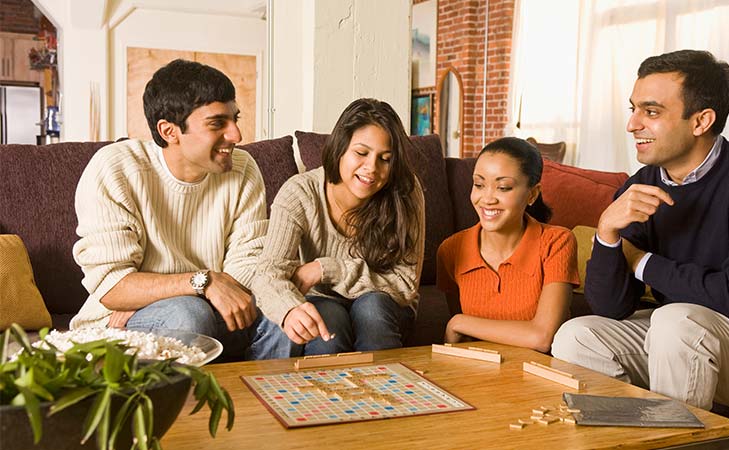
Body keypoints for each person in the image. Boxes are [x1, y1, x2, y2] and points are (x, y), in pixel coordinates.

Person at [552, 50, 729, 410]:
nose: (632, 125)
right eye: (634, 109)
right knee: (576, 336)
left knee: (676, 321)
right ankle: (621, 437)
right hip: (673, 337)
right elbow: (611, 307)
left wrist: (640, 262)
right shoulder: (640, 186)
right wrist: (608, 234)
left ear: (701, 121)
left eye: (652, 111)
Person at [70, 59, 294, 360]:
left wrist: (150, 290)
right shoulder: (115, 169)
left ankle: (261, 401)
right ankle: (190, 407)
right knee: (188, 314)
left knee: (286, 315)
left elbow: (247, 265)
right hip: (119, 323)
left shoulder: (242, 169)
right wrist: (204, 282)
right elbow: (113, 287)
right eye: (217, 123)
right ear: (169, 131)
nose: (236, 136)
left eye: (234, 119)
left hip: (213, 307)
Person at [251, 98, 425, 355]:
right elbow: (267, 273)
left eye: (385, 159)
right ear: (340, 148)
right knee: (328, 327)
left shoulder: (405, 192)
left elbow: (405, 284)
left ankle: (384, 391)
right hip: (324, 298)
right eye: (361, 153)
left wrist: (326, 269)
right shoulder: (300, 193)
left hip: (386, 303)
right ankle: (323, 395)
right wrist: (288, 309)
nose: (372, 169)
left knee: (372, 310)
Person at [436, 137, 579, 352]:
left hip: (538, 373)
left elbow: (542, 338)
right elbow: (462, 343)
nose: (487, 198)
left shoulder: (557, 242)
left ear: (532, 194)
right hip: (477, 372)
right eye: (479, 185)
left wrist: (459, 322)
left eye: (503, 187)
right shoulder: (451, 250)